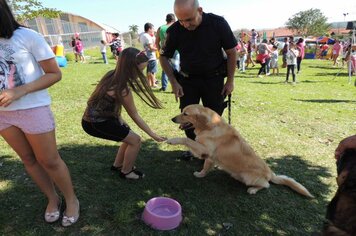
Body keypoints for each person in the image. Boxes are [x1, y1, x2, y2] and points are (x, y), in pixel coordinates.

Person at [0, 0, 79, 227]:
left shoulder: (27, 36)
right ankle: (52, 198)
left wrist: (20, 90)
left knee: (49, 160)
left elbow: (54, 73)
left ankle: (72, 200)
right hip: (3, 115)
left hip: (32, 109)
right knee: (28, 159)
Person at [159, 0, 237, 159]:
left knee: (214, 117)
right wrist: (174, 82)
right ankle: (194, 149)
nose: (186, 25)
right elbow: (163, 56)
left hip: (214, 80)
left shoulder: (218, 23)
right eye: (181, 20)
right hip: (187, 81)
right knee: (187, 117)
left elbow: (231, 52)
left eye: (189, 19)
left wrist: (230, 81)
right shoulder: (174, 30)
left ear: (199, 10)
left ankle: (213, 148)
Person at [81, 47, 166, 179]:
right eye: (140, 70)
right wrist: (153, 135)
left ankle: (118, 165)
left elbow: (104, 103)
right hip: (94, 123)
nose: (140, 74)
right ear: (130, 68)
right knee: (136, 140)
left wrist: (118, 117)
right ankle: (126, 172)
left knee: (129, 135)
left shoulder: (111, 74)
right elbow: (135, 115)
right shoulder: (123, 89)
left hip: (98, 118)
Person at [156, 13, 180, 92]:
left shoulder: (160, 28)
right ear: (174, 19)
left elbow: (157, 42)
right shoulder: (176, 27)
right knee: (176, 68)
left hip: (164, 51)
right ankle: (176, 86)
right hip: (175, 52)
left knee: (165, 68)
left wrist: (160, 50)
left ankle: (164, 86)